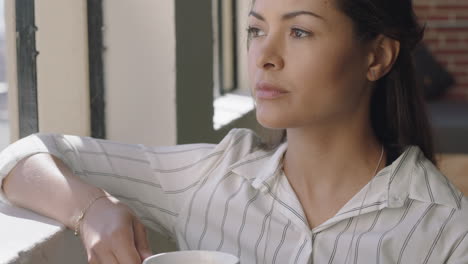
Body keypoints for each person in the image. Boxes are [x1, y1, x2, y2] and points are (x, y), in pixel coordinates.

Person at [1, 0, 467, 263]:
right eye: (255, 30)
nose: (265, 56)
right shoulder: (211, 176)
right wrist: (93, 210)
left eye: (300, 32)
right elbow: (24, 157)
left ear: (377, 57)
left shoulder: (446, 232)